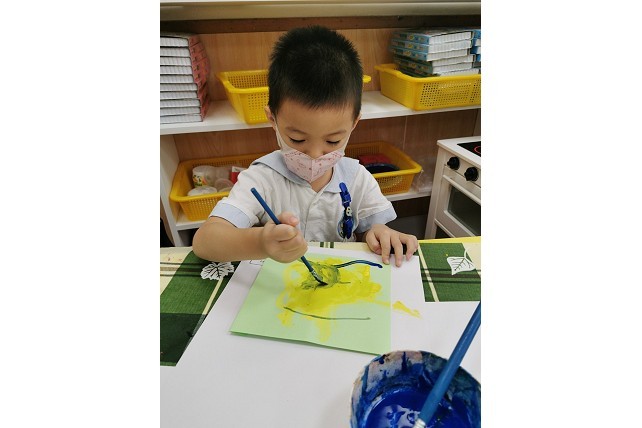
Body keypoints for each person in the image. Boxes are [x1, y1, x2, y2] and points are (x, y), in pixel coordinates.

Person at [192, 26, 418, 267]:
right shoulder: (261, 179)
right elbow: (205, 242)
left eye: (332, 141)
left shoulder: (356, 179)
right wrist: (260, 242)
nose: (314, 155)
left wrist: (380, 233)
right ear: (272, 119)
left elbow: (371, 231)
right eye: (297, 140)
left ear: (354, 123)